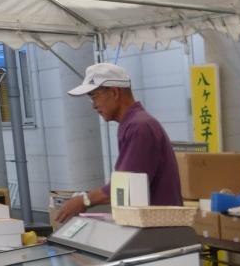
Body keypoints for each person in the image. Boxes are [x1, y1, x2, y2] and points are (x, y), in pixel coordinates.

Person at [55, 63, 182, 223]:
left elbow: (125, 186)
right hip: (154, 225)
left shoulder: (139, 126)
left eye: (94, 97)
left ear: (114, 92)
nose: (94, 105)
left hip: (160, 227)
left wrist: (84, 200)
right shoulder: (134, 123)